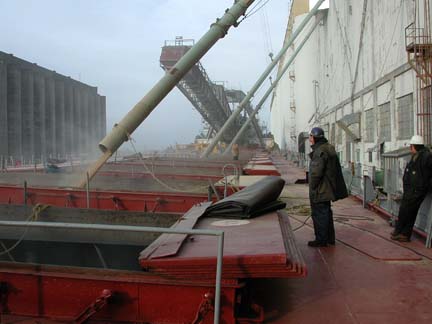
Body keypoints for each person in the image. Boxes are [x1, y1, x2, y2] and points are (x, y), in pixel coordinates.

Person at [308, 127, 348, 247]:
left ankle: (321, 240)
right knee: (326, 213)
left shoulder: (319, 151)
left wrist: (313, 187)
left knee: (319, 214)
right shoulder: (328, 148)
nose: (309, 139)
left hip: (321, 189)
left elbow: (316, 173)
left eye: (310, 137)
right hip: (328, 188)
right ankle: (330, 238)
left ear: (314, 137)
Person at [391, 135, 432, 242]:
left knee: (409, 211)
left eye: (411, 146)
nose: (410, 148)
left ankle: (404, 233)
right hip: (411, 190)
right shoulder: (416, 156)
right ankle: (399, 231)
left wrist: (425, 185)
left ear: (415, 146)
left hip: (417, 190)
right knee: (405, 210)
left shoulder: (426, 157)